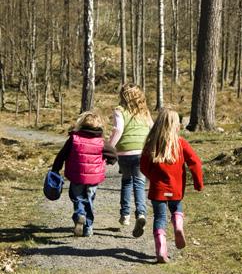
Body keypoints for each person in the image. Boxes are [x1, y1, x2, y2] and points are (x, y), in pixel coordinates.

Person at [140, 107, 203, 263]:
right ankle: (178, 225)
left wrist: (152, 177)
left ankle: (161, 247)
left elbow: (143, 166)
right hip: (175, 189)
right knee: (176, 208)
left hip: (157, 190)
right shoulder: (180, 143)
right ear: (176, 125)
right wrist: (198, 183)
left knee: (159, 217)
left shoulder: (151, 144)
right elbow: (195, 162)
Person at [52, 111, 117, 237]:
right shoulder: (101, 141)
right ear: (99, 126)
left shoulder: (74, 139)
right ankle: (88, 228)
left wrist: (56, 169)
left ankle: (79, 214)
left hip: (76, 176)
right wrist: (108, 161)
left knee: (77, 197)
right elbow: (113, 155)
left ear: (81, 124)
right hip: (94, 177)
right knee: (89, 199)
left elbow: (61, 155)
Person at [109, 83, 153, 238]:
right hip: (141, 152)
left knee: (126, 181)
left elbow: (118, 129)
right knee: (139, 184)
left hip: (124, 152)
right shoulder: (145, 112)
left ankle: (125, 215)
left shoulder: (119, 110)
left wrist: (109, 147)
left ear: (123, 95)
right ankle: (141, 214)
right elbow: (151, 128)